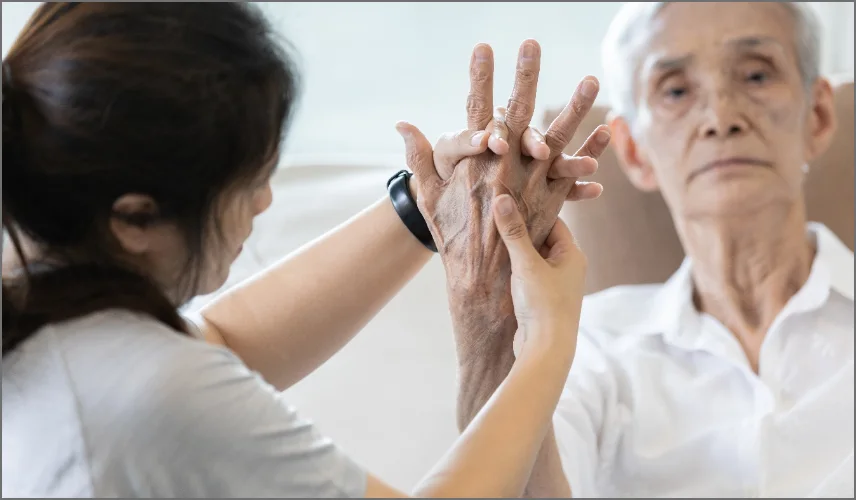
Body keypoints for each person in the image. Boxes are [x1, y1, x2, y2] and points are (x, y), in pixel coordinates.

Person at [1, 3, 610, 498]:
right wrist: (548, 337)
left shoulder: (44, 317)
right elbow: (185, 372)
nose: (265, 202)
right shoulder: (144, 397)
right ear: (135, 218)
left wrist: (428, 208)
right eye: (248, 183)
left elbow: (218, 340)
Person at [449, 2, 854, 497]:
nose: (721, 117)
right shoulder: (582, 342)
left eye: (755, 75)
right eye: (677, 90)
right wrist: (488, 325)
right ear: (635, 151)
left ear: (817, 116)